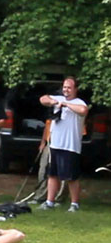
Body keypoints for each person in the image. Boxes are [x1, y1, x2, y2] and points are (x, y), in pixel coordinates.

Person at [37, 77, 88, 211]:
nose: (66, 90)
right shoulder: (57, 98)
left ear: (75, 89)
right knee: (52, 174)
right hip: (55, 144)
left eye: (69, 87)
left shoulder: (79, 102)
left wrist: (66, 104)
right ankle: (49, 202)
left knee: (71, 177)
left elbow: (83, 110)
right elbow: (43, 99)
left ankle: (74, 204)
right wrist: (53, 102)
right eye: (64, 87)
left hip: (70, 146)